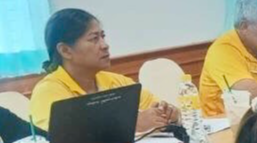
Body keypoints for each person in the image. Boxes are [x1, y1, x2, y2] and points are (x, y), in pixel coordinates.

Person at [29, 8, 178, 132]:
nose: (105, 45)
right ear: (66, 50)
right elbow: (60, 141)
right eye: (94, 39)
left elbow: (155, 107)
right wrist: (132, 124)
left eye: (103, 37)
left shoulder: (116, 81)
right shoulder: (49, 92)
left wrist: (168, 113)